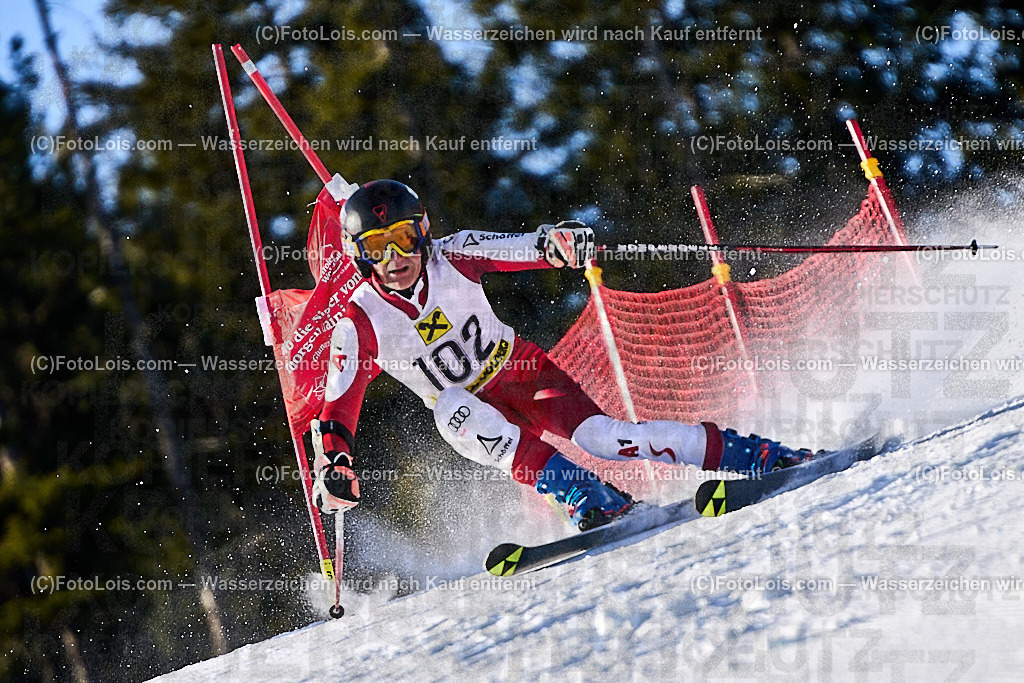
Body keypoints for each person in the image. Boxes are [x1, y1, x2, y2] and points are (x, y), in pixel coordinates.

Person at [311, 180, 810, 530]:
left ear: (420, 231)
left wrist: (558, 244)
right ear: (358, 253)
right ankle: (588, 495)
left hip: (522, 373)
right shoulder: (359, 322)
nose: (394, 259)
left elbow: (521, 246)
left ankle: (758, 455)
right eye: (377, 247)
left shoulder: (454, 254)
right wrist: (336, 462)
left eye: (401, 239)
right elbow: (338, 404)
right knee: (450, 410)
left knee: (605, 439)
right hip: (474, 410)